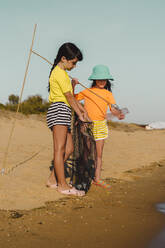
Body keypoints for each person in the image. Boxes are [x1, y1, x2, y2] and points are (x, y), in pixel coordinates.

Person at [46, 42, 89, 196]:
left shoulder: (62, 74)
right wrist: (79, 114)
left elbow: (70, 96)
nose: (74, 66)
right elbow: (69, 98)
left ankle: (52, 179)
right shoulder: (58, 73)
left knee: (69, 148)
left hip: (63, 110)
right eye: (73, 63)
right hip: (59, 110)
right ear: (63, 58)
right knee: (59, 149)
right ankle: (62, 185)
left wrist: (82, 110)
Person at [75, 64, 125, 188]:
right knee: (86, 152)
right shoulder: (87, 91)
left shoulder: (108, 94)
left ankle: (97, 179)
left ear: (107, 80)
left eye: (104, 79)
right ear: (94, 79)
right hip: (88, 125)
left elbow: (112, 109)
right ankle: (83, 177)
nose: (102, 81)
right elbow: (73, 98)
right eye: (99, 79)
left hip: (101, 125)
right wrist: (73, 84)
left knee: (98, 154)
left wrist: (118, 114)